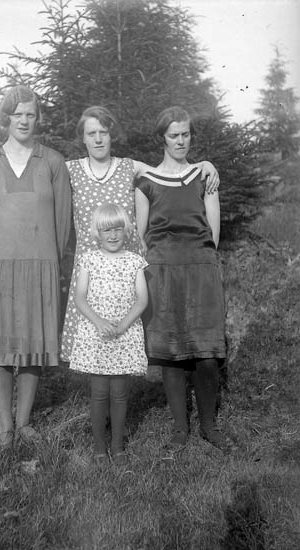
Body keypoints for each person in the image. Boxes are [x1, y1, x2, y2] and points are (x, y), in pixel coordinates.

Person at [0, 106, 220, 362]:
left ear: (111, 135)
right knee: (93, 345)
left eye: (103, 132)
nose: (98, 139)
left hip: (125, 270)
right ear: (83, 138)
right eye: (91, 133)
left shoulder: (130, 167)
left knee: (126, 341)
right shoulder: (69, 170)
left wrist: (204, 165)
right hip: (90, 271)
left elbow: (170, 170)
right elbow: (28, 165)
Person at [0, 85, 71, 450]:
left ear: (37, 118)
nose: (24, 121)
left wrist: (46, 260)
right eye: (18, 115)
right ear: (7, 119)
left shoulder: (53, 162)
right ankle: (5, 427)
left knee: (33, 345)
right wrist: (1, 253)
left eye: (30, 114)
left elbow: (63, 222)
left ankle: (25, 421)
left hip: (40, 265)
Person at [135, 106, 229, 451]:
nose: (180, 141)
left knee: (207, 350)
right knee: (170, 351)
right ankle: (180, 429)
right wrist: (158, 266)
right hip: (162, 271)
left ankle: (209, 426)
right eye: (173, 135)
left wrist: (201, 261)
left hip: (200, 268)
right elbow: (141, 235)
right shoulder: (146, 182)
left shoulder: (204, 176)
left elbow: (213, 232)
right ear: (162, 138)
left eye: (185, 134)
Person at [69, 203, 148, 465]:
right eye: (106, 230)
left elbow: (142, 300)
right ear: (97, 233)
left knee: (120, 393)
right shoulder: (89, 260)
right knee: (100, 392)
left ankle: (118, 446)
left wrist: (123, 324)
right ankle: (99, 447)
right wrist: (99, 322)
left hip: (125, 334)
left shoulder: (134, 261)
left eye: (117, 229)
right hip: (98, 334)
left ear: (125, 231)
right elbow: (80, 298)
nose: (113, 235)